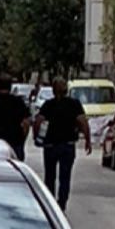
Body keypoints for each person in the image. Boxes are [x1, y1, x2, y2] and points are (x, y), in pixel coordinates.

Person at [32, 74, 92, 209]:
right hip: (68, 145)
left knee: (50, 176)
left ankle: (50, 203)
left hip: (51, 145)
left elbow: (38, 121)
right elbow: (82, 122)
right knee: (65, 177)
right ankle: (62, 203)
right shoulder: (74, 104)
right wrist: (87, 139)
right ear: (66, 90)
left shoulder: (48, 105)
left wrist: (36, 136)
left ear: (53, 90)